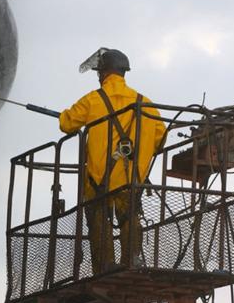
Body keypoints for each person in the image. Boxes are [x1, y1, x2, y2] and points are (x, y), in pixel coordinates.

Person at [59, 48, 166, 273]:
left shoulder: (92, 100)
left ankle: (105, 266)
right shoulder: (144, 103)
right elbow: (160, 139)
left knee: (99, 219)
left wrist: (64, 115)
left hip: (100, 181)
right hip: (131, 181)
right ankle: (133, 261)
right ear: (124, 73)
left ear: (103, 73)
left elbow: (66, 124)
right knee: (130, 218)